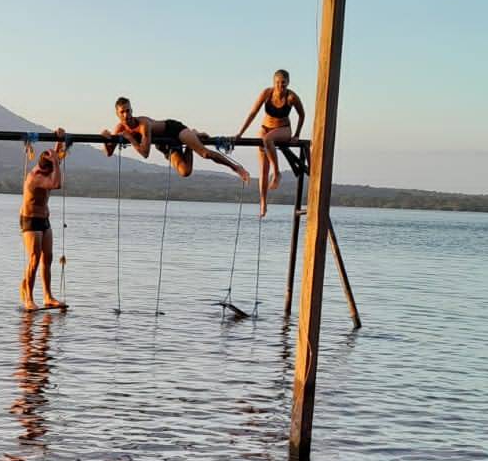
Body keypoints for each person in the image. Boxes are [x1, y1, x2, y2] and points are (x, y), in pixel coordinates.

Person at [102, 96, 249, 183]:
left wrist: (130, 138)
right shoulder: (119, 128)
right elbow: (108, 153)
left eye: (128, 110)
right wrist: (105, 138)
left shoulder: (143, 124)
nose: (126, 115)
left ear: (132, 110)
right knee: (185, 172)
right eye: (122, 112)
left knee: (204, 153)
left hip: (174, 130)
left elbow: (145, 153)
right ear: (117, 114)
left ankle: (236, 168)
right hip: (164, 144)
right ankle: (192, 141)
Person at [233, 69, 307, 217]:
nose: (280, 86)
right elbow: (253, 113)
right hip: (265, 128)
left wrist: (297, 134)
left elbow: (302, 115)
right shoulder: (267, 93)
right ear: (274, 83)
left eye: (283, 83)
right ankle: (263, 203)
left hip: (283, 129)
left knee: (267, 139)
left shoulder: (291, 97)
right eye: (278, 83)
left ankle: (277, 173)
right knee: (263, 170)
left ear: (288, 83)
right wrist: (240, 133)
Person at [20, 129, 69, 311]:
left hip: (44, 219)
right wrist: (55, 161)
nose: (56, 167)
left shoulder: (48, 168)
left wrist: (59, 140)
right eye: (54, 166)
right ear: (46, 168)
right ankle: (29, 299)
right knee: (34, 258)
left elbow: (56, 159)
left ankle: (48, 296)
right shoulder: (36, 178)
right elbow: (57, 184)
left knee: (47, 258)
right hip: (30, 220)